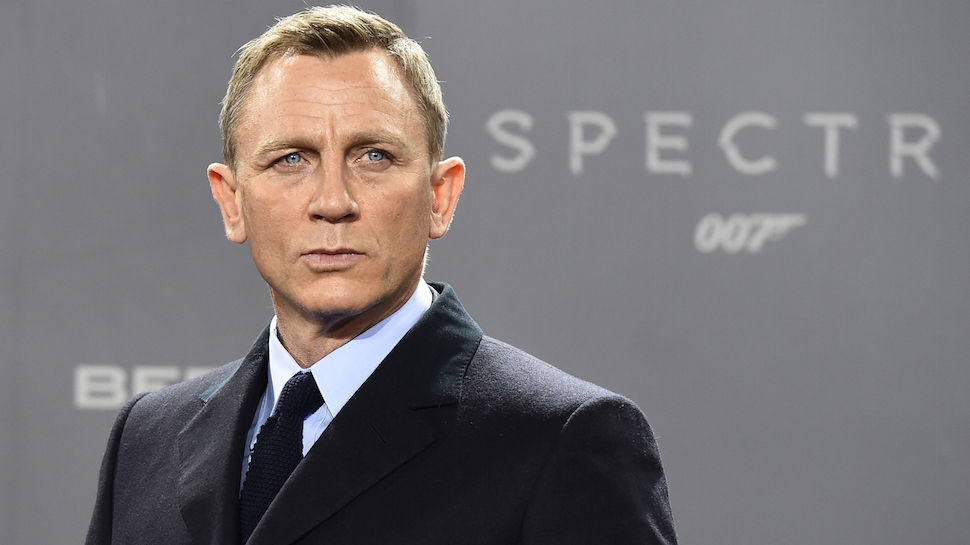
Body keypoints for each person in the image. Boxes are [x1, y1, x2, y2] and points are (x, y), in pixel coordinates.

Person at [85, 6, 677, 545]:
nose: (333, 202)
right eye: (291, 159)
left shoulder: (561, 439)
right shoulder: (147, 439)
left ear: (440, 196)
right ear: (231, 201)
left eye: (374, 156)